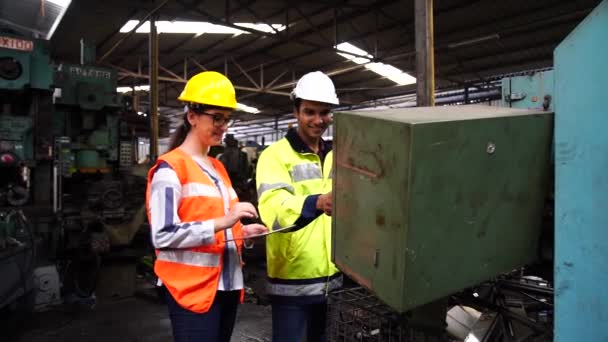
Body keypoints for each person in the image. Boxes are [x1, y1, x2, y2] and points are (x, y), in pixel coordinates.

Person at [145, 71, 268, 342]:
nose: (223, 125)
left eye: (226, 119)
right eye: (216, 118)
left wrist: (243, 234)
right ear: (192, 116)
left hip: (225, 287)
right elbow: (162, 234)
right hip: (190, 291)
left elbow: (219, 223)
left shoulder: (218, 167)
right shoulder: (170, 169)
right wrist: (224, 222)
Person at [255, 71, 341, 342]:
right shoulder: (275, 156)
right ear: (296, 112)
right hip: (293, 282)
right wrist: (317, 201)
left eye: (325, 112)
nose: (318, 120)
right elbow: (273, 209)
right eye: (309, 112)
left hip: (332, 279)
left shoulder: (336, 155)